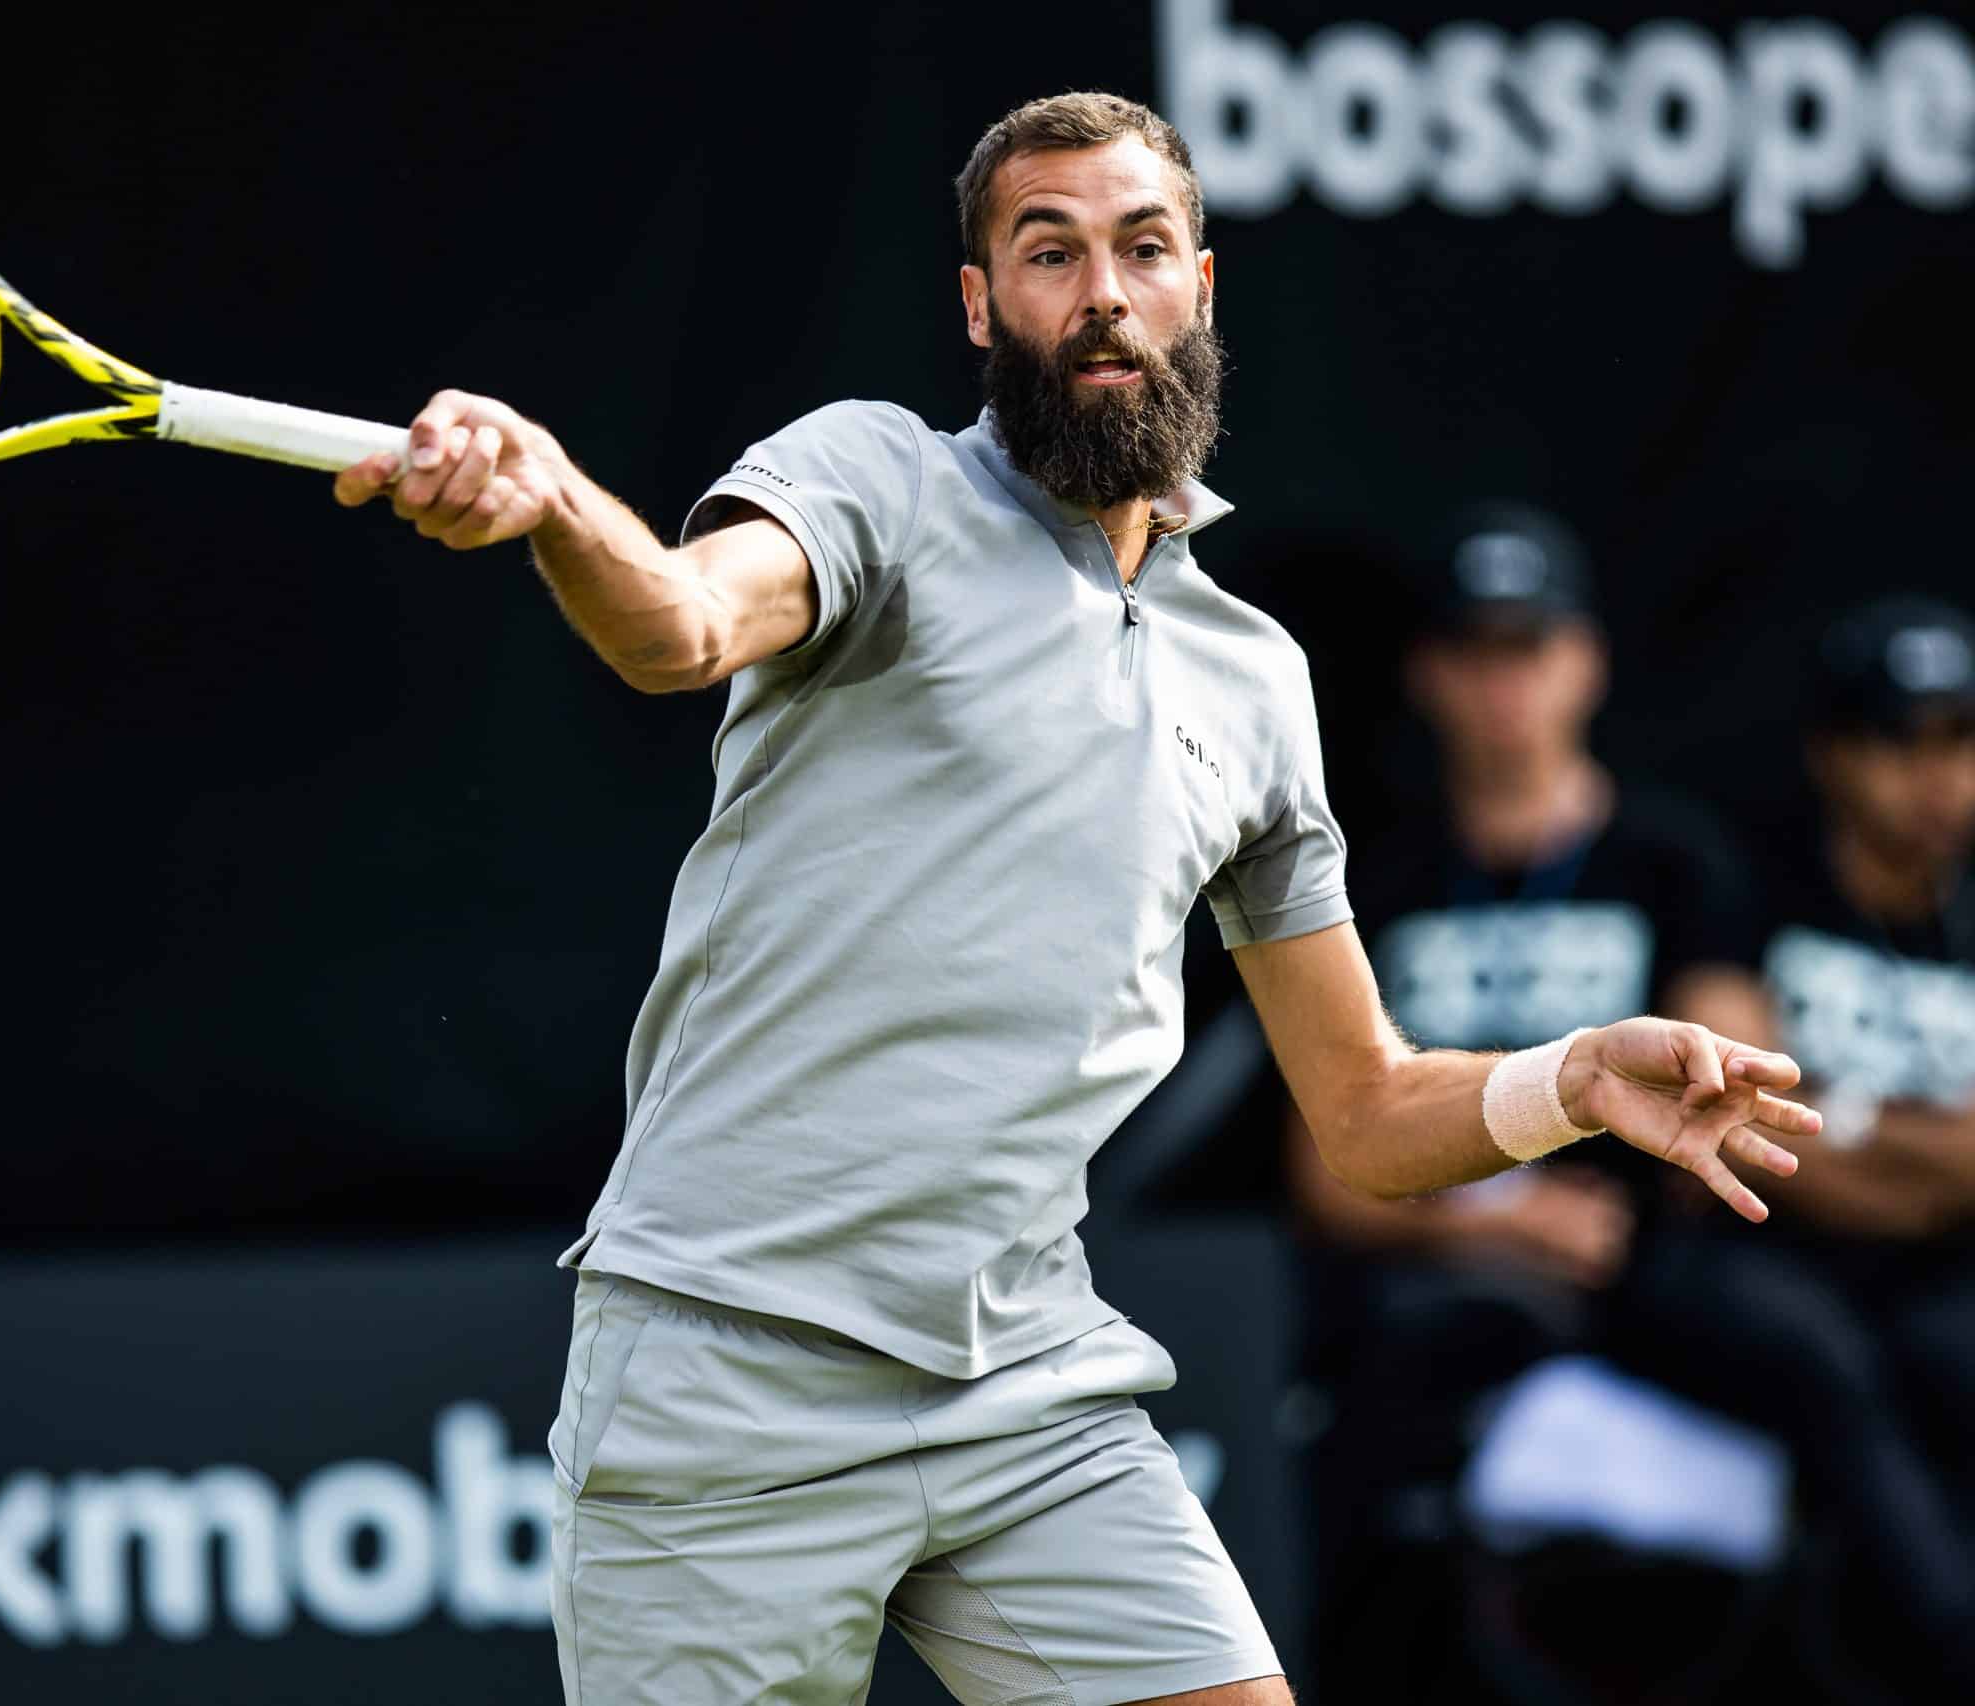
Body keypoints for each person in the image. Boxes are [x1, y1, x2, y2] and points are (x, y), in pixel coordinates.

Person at [333, 92, 1820, 1706]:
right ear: (983, 306)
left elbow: (1369, 1110)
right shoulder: (877, 480)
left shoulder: (1254, 680)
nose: (1103, 291)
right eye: (1050, 253)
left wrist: (1571, 1077)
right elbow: (677, 626)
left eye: (1141, 247)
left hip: (1024, 1377)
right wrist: (558, 503)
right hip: (729, 1361)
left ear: (1201, 286)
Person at [1275, 510, 1781, 1695]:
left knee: (1818, 1359)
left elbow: (1741, 1096)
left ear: (1585, 660)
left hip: (1643, 1261)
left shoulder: (1670, 858)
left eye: (1529, 646)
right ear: (1428, 673)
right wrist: (1498, 1224)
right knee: (1380, 1403)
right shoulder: (1375, 880)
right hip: (1442, 1266)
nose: (1504, 685)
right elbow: (1320, 1162)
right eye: (1475, 650)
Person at [1610, 596, 1975, 1692]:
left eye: (1960, 738)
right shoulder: (1745, 877)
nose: (1937, 775)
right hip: (1748, 1247)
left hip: (1919, 1263)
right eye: (1901, 741)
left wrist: (1835, 1114)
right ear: (1832, 753)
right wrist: (1925, 1155)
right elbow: (1729, 1118)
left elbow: (1793, 1119)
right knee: (1823, 1358)